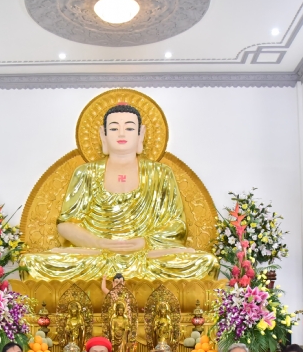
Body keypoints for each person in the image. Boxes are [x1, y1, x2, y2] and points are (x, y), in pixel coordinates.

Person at [18, 103, 219, 281]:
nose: (121, 134)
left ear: (141, 134)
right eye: (114, 128)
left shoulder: (160, 173)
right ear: (102, 134)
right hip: (95, 256)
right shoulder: (86, 173)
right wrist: (99, 242)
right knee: (31, 262)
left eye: (129, 128)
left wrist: (144, 242)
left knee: (205, 262)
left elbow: (176, 226)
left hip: (147, 255)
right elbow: (66, 225)